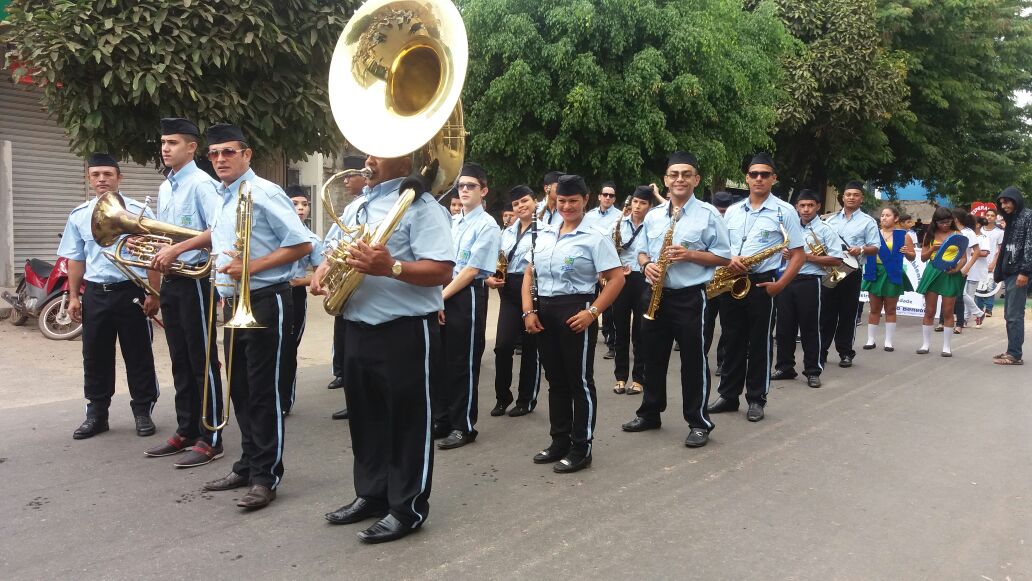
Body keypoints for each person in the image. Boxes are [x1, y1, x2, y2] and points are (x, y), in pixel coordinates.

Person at [312, 155, 453, 544]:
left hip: (404, 329)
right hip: (357, 326)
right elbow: (335, 248)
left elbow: (443, 271)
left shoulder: (422, 207)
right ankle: (372, 495)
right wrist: (324, 268)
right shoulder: (358, 204)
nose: (369, 159)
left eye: (379, 152)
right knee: (366, 419)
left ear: (404, 159)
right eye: (368, 151)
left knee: (408, 423)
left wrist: (391, 267)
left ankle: (407, 509)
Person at [199, 123, 312, 510]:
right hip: (232, 302)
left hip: (265, 298)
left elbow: (301, 243)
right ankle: (247, 464)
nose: (220, 159)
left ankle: (266, 476)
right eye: (214, 153)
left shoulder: (264, 191)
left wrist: (249, 266)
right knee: (241, 390)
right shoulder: (222, 195)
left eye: (228, 152)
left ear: (246, 154)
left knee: (263, 392)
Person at [620, 152, 731, 448]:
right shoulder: (654, 215)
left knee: (693, 361)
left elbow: (724, 256)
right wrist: (646, 265)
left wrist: (690, 254)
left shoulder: (709, 214)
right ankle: (650, 413)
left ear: (696, 179)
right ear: (666, 180)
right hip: (654, 294)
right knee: (652, 357)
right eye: (674, 174)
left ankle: (699, 422)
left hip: (689, 297)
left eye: (686, 174)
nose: (679, 179)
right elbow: (641, 251)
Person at [522, 174, 624, 473]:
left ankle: (581, 447)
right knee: (555, 381)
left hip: (575, 312)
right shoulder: (544, 234)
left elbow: (616, 278)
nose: (567, 207)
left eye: (573, 201)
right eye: (562, 201)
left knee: (579, 381)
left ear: (586, 200)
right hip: (544, 312)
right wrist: (528, 311)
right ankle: (559, 440)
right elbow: (529, 273)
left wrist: (593, 312)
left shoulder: (595, 237)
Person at [59, 153, 161, 440]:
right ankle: (97, 415)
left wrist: (154, 293)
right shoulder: (79, 215)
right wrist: (74, 296)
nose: (102, 179)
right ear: (89, 179)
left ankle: (143, 412)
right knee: (94, 356)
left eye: (108, 174)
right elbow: (76, 258)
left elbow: (154, 255)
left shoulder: (138, 211)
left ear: (119, 178)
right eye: (96, 174)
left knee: (138, 354)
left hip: (130, 291)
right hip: (95, 293)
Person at [143, 118, 225, 467]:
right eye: (163, 142)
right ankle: (186, 429)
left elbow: (219, 230)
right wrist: (151, 248)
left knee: (202, 360)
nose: (165, 148)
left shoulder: (203, 184)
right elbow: (166, 235)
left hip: (196, 281)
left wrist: (177, 249)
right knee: (179, 359)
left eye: (173, 142)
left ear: (191, 148)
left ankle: (212, 437)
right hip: (174, 281)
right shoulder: (166, 187)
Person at [708, 153, 805, 422]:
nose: (759, 178)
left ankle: (756, 398)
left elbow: (798, 254)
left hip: (762, 282)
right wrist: (730, 258)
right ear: (747, 178)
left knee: (760, 343)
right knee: (731, 340)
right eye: (754, 174)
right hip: (731, 281)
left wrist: (780, 285)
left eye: (764, 174)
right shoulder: (733, 210)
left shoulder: (784, 211)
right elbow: (720, 245)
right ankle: (728, 395)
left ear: (774, 178)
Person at [434, 162, 501, 449]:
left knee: (463, 362)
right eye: (461, 185)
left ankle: (464, 426)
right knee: (442, 361)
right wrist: (437, 296)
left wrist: (440, 297)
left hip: (467, 295)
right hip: (444, 292)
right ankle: (443, 419)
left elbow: (471, 270)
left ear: (483, 191)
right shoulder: (454, 222)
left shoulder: (487, 225)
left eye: (471, 186)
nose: (464, 190)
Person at [772, 190, 845, 388]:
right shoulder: (788, 227)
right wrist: (783, 253)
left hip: (810, 281)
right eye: (802, 205)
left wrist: (806, 257)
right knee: (784, 327)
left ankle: (813, 370)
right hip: (786, 279)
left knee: (810, 328)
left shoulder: (826, 229)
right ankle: (785, 367)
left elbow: (837, 259)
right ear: (796, 207)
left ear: (818, 207)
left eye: (810, 205)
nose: (806, 209)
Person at [486, 185, 543, 417]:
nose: (520, 206)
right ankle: (503, 397)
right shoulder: (507, 232)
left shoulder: (546, 231)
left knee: (531, 348)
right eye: (516, 204)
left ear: (535, 202)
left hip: (533, 288)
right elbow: (495, 259)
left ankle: (526, 399)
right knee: (502, 346)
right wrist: (491, 277)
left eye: (525, 201)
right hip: (509, 290)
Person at [820, 181, 880, 367]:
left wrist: (861, 249)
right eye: (848, 194)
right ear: (843, 197)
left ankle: (845, 352)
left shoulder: (868, 221)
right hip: (831, 270)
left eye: (855, 195)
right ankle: (821, 351)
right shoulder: (830, 221)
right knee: (826, 312)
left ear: (862, 199)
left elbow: (875, 247)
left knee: (848, 313)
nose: (851, 198)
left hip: (851, 272)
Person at [328, 156, 367, 420]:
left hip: (368, 282)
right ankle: (354, 401)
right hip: (348, 281)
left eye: (349, 176)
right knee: (347, 344)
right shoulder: (353, 207)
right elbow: (335, 239)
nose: (345, 181)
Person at [608, 185, 654, 396]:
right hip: (622, 279)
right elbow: (608, 250)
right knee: (620, 329)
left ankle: (638, 378)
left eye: (643, 203)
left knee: (641, 332)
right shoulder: (618, 224)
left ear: (649, 206)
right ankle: (620, 377)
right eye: (635, 201)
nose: (637, 206)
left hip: (644, 279)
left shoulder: (653, 226)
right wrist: (615, 269)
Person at [283, 186, 323, 416]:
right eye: (295, 203)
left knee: (288, 349)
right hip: (270, 293)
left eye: (304, 204)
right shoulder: (274, 233)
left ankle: (284, 400)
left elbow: (322, 275)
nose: (300, 208)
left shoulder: (313, 240)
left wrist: (299, 282)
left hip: (294, 295)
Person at [860, 206, 915, 352]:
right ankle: (870, 340)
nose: (884, 218)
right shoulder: (873, 234)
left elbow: (912, 256)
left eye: (888, 215)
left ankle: (888, 341)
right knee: (874, 308)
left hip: (892, 273)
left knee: (890, 309)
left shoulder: (903, 236)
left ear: (896, 218)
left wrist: (907, 252)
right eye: (882, 215)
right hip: (874, 272)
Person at [915, 207, 967, 357]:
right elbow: (923, 258)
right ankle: (925, 344)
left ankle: (946, 347)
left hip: (950, 273)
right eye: (941, 222)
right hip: (933, 271)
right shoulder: (930, 234)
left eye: (948, 222)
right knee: (930, 311)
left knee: (948, 311)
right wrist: (932, 248)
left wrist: (957, 269)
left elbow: (964, 258)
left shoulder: (958, 235)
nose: (945, 225)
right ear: (935, 222)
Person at [992, 186, 1031, 365]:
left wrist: (1025, 271)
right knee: (1009, 315)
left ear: (1015, 200)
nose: (1003, 206)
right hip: (1009, 272)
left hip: (1019, 272)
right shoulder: (1012, 218)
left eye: (1006, 202)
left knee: (1014, 315)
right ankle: (1011, 350)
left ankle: (1015, 355)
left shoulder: (1028, 216)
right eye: (1001, 203)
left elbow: (1030, 245)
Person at [584, 182, 622, 359]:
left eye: (611, 195)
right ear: (599, 196)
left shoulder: (621, 216)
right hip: (592, 267)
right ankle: (593, 336)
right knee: (592, 302)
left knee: (610, 306)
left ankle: (612, 344)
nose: (607, 198)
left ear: (614, 198)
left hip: (609, 266)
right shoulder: (589, 216)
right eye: (605, 194)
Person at [704, 191, 735, 376]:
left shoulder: (734, 224)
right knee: (705, 323)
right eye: (719, 211)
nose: (721, 215)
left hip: (728, 279)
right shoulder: (706, 222)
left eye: (724, 211)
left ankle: (723, 361)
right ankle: (700, 358)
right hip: (708, 279)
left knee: (727, 324)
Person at [980, 208, 1005, 317]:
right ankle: (979, 309)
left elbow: (1000, 249)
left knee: (991, 286)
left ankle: (989, 308)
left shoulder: (1000, 232)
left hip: (992, 262)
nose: (989, 217)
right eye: (988, 215)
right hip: (979, 262)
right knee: (980, 287)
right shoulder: (979, 230)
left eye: (992, 215)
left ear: (995, 218)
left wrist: (994, 263)